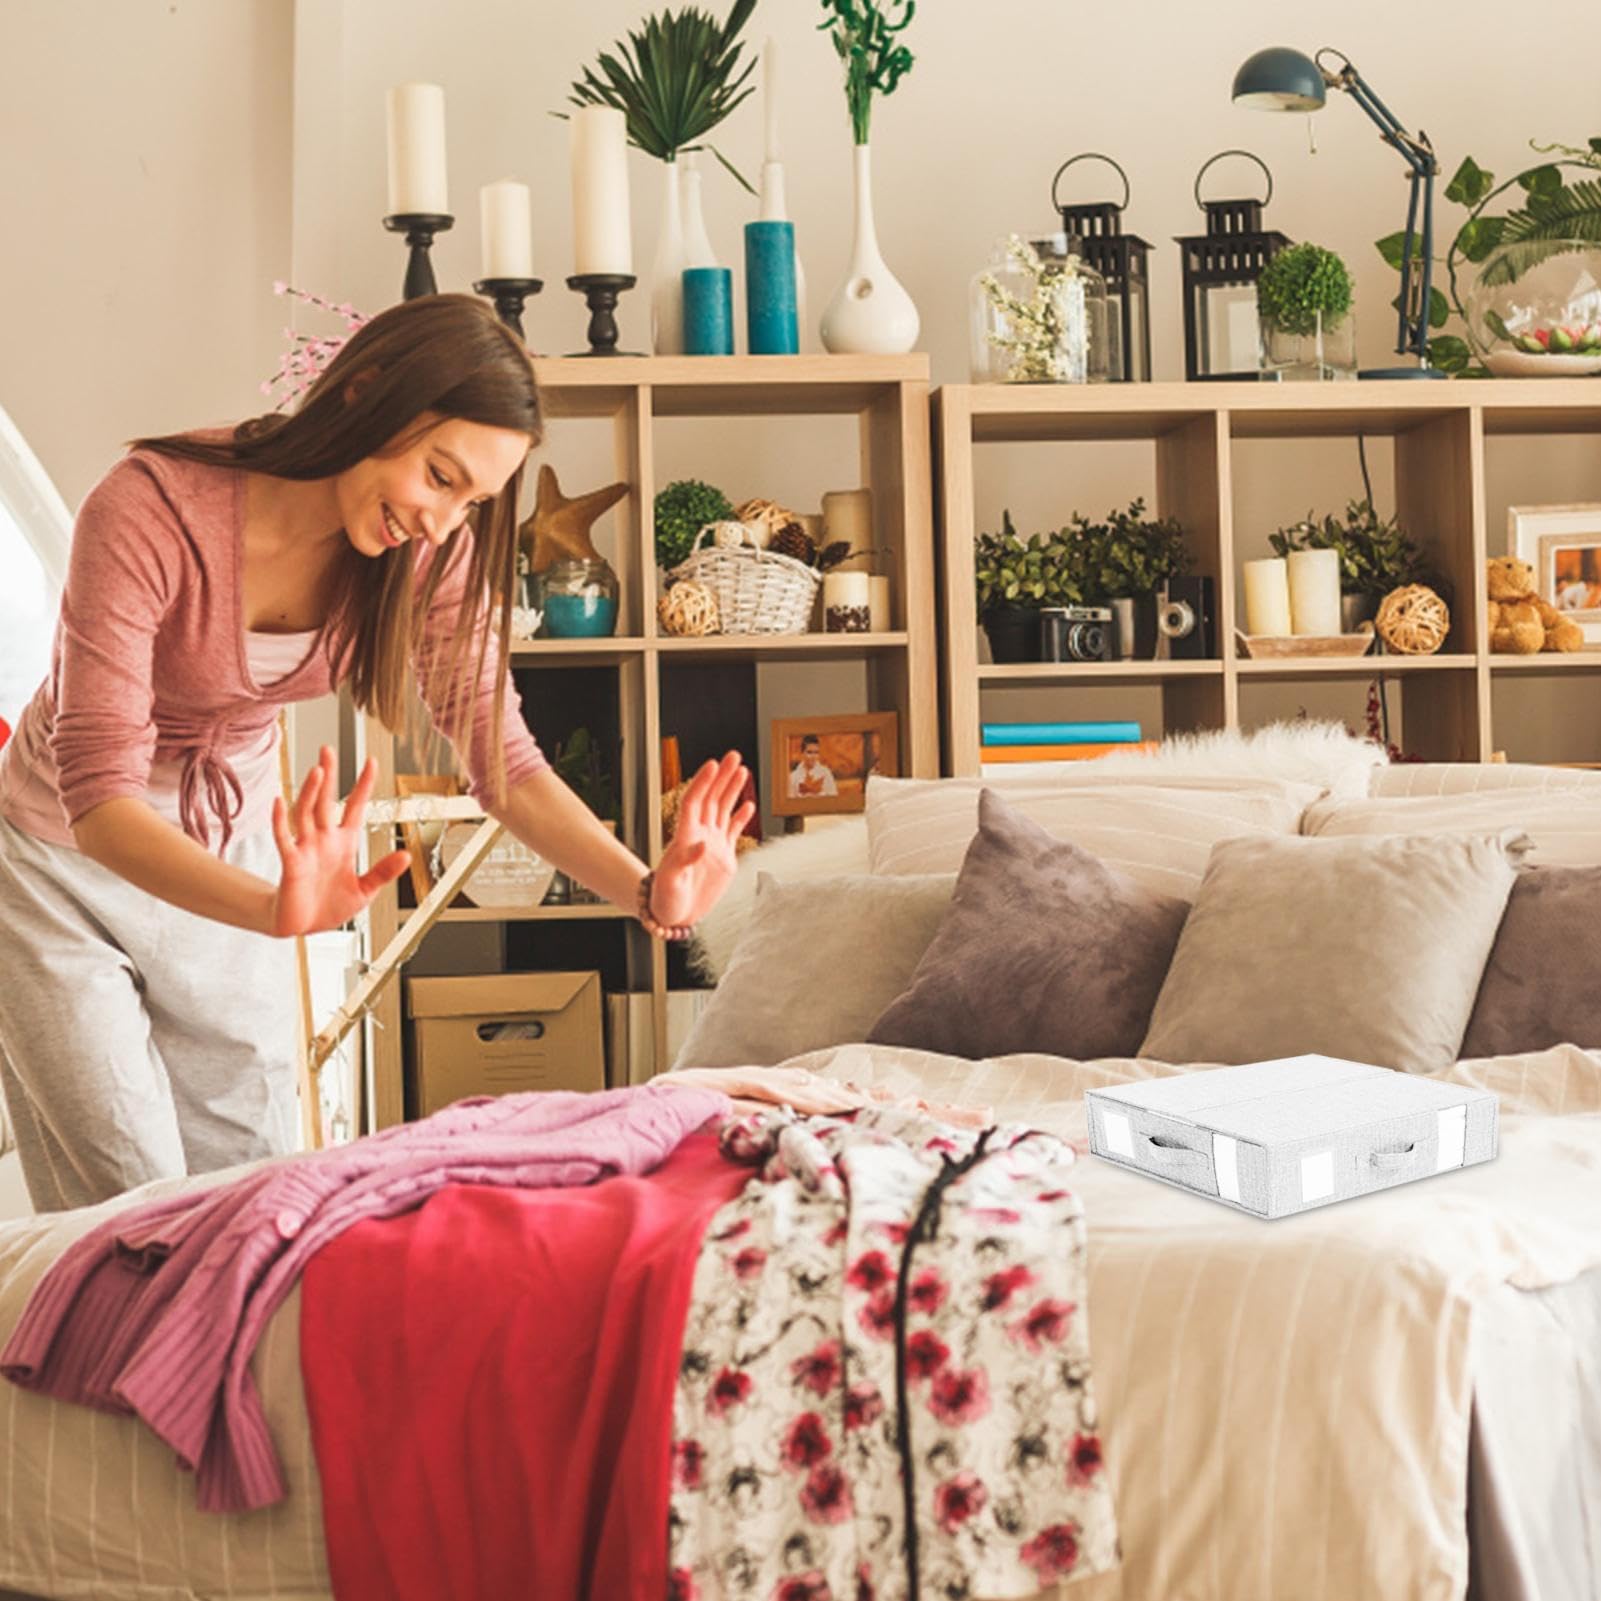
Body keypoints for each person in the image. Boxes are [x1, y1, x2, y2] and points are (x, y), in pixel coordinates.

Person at [0, 293, 753, 1213]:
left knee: (254, 1186)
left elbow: (502, 759)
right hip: (60, 864)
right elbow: (98, 796)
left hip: (230, 848)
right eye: (439, 475)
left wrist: (645, 892)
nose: (443, 522)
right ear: (364, 397)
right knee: (126, 1201)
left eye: (471, 499)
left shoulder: (427, 555)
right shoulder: (150, 508)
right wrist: (273, 908)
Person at [786, 733, 837, 800]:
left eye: (816, 752)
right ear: (802, 753)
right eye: (809, 752)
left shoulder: (826, 773)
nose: (813, 756)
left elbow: (833, 798)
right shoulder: (793, 777)